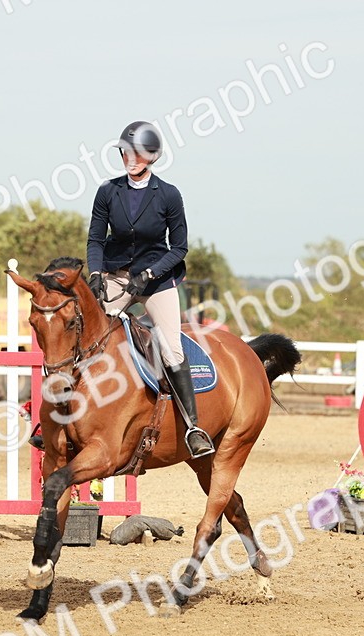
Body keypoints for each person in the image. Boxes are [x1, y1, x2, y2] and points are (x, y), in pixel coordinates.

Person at [85, 120, 215, 458]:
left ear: (152, 157)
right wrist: (96, 273)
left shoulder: (168, 194)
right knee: (89, 337)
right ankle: (66, 417)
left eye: (137, 154)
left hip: (156, 281)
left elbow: (180, 247)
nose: (129, 159)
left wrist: (150, 273)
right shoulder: (108, 191)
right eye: (125, 153)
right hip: (117, 275)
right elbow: (96, 239)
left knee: (171, 349)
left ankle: (193, 428)